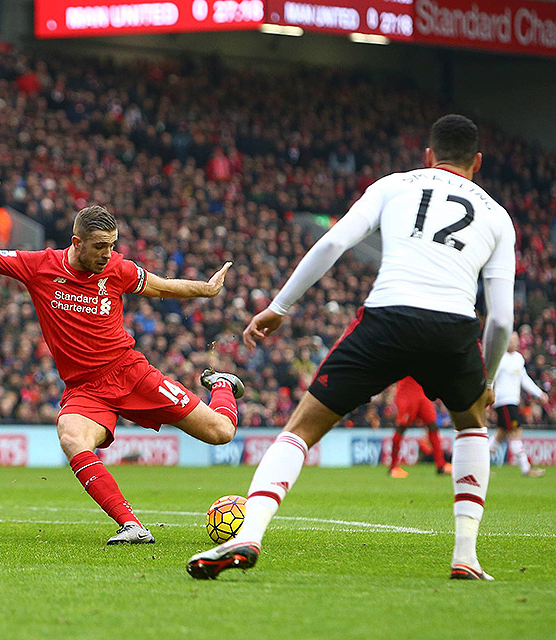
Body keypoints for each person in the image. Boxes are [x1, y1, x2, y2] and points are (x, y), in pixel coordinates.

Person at [187, 115, 515, 581]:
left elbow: (336, 239)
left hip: (386, 318)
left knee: (300, 429)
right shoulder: (497, 215)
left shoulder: (395, 185)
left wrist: (280, 306)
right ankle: (466, 556)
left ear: (428, 155)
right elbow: (501, 318)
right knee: (471, 428)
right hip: (452, 325)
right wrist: (487, 381)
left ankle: (250, 533)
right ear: (477, 162)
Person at [0, 204, 242, 545]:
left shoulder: (117, 269)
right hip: (85, 388)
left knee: (221, 432)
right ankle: (132, 526)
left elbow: (163, 287)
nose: (107, 254)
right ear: (76, 242)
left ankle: (222, 385)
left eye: (111, 245)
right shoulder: (40, 266)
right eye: (99, 246)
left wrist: (206, 288)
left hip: (129, 373)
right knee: (71, 437)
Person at [490, 333, 548, 477]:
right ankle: (525, 468)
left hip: (513, 402)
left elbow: (524, 379)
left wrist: (539, 393)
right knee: (516, 433)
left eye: (515, 340)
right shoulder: (499, 358)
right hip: (503, 401)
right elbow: (490, 379)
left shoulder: (518, 358)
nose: (513, 342)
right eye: (511, 340)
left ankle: (481, 467)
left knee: (501, 435)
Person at [388, 377, 451, 478]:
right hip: (407, 391)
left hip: (422, 391)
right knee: (401, 427)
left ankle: (441, 465)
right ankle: (393, 467)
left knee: (433, 425)